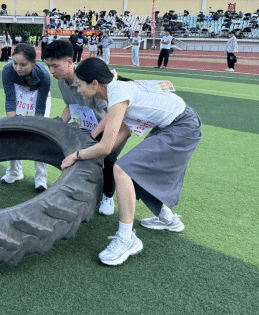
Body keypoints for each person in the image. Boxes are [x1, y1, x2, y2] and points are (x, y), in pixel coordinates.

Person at [61, 57, 202, 266]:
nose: (78, 90)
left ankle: (127, 239)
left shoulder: (117, 93)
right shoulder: (116, 92)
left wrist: (77, 155)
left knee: (123, 170)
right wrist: (97, 155)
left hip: (183, 127)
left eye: (80, 85)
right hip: (172, 125)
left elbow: (106, 146)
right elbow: (124, 131)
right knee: (134, 170)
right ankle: (168, 219)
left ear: (95, 84)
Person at [43, 40, 130, 215]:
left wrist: (92, 136)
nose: (51, 71)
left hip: (109, 126)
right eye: (48, 66)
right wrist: (58, 125)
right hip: (87, 127)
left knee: (107, 160)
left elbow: (109, 113)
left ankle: (107, 196)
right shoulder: (62, 82)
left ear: (69, 62)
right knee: (78, 158)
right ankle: (84, 192)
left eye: (55, 66)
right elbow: (70, 105)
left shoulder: (89, 79)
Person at [2, 43, 51, 191]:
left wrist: (36, 126)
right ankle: (14, 172)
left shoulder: (44, 75)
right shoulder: (7, 71)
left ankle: (41, 179)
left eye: (23, 65)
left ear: (33, 62)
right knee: (14, 134)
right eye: (15, 63)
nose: (18, 68)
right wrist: (12, 123)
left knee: (40, 135)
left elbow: (40, 106)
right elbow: (10, 99)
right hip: (20, 94)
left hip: (39, 98)